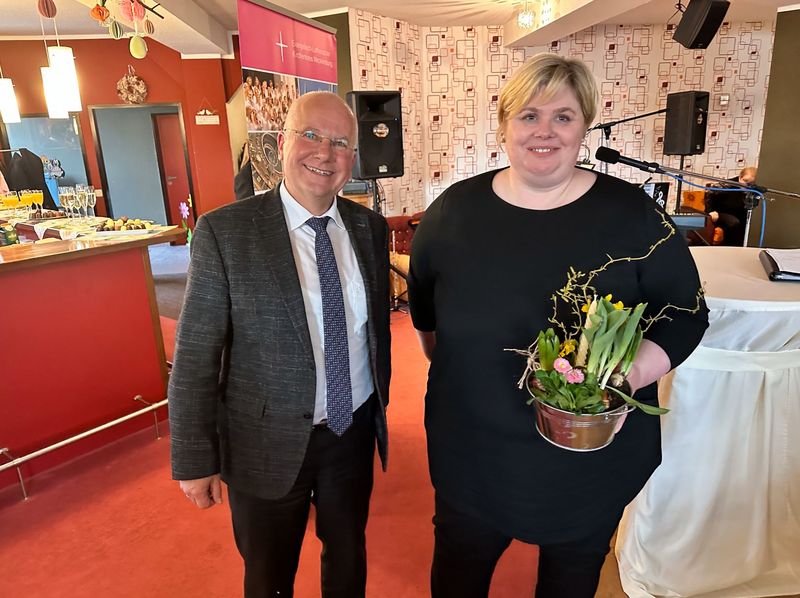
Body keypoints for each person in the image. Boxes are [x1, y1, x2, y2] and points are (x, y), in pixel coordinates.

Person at [407, 54, 709, 598]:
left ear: (583, 126)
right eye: (529, 115)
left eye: (563, 117)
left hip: (588, 455)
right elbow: (427, 321)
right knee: (459, 568)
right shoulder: (452, 212)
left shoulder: (633, 215)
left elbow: (686, 313)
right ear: (505, 125)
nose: (544, 131)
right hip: (474, 450)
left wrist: (624, 379)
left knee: (571, 575)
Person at [169, 91, 391, 598]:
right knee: (269, 577)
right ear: (281, 141)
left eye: (340, 142)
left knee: (348, 559)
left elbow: (374, 334)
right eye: (311, 135)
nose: (325, 153)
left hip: (351, 433)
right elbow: (196, 355)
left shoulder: (369, 229)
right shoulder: (226, 232)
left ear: (353, 156)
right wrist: (195, 457)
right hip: (263, 442)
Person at [705, 166, 757, 246]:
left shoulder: (754, 189)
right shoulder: (727, 184)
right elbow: (709, 193)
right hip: (721, 214)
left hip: (740, 215)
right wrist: (710, 211)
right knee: (734, 223)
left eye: (750, 184)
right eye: (745, 181)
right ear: (740, 177)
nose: (747, 185)